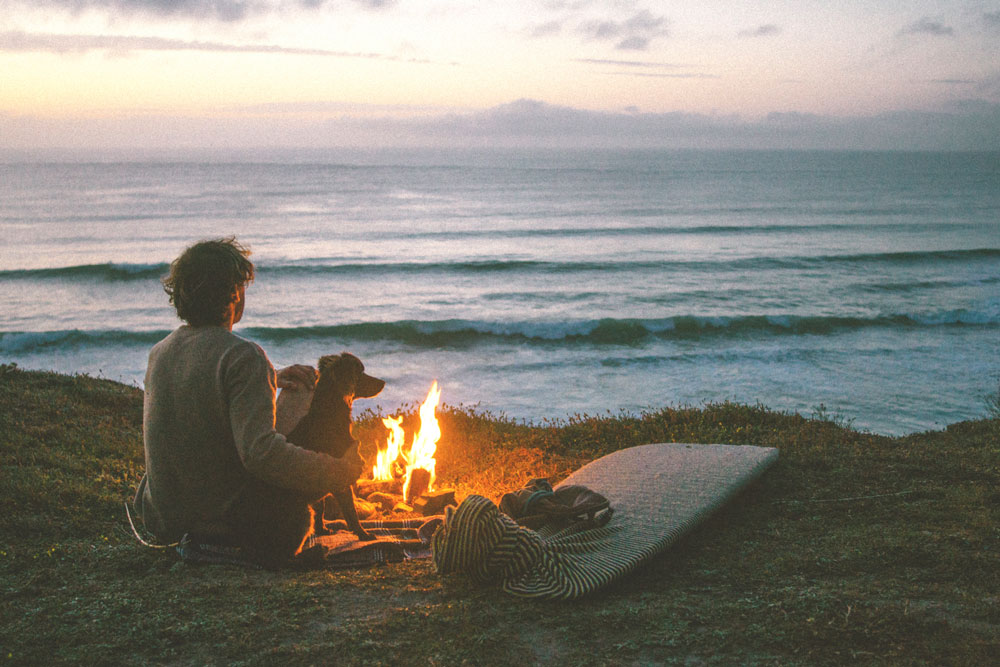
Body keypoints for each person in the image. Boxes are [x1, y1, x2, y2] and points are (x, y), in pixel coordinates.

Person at [134, 237, 363, 564]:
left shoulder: (161, 351)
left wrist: (271, 378)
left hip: (165, 516)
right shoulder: (243, 355)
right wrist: (337, 472)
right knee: (306, 394)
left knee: (293, 388)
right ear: (234, 294)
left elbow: (200, 396)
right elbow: (261, 455)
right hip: (219, 522)